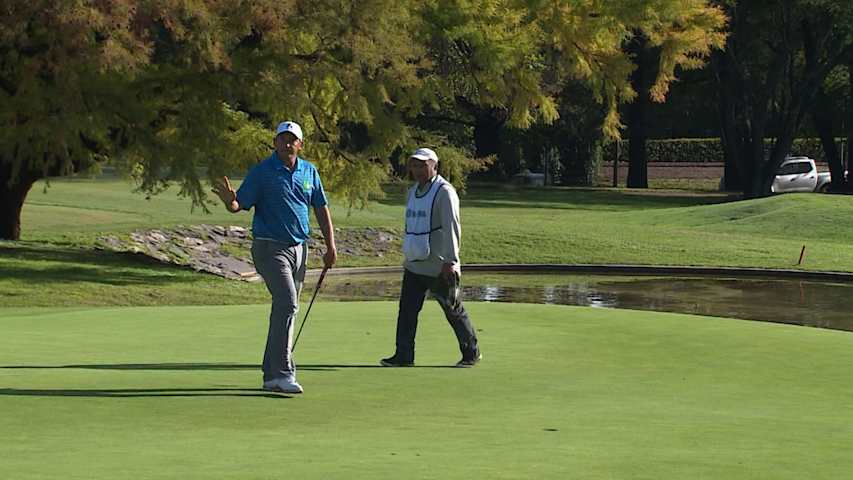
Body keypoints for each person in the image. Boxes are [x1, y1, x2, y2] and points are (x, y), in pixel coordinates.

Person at [213, 121, 337, 394]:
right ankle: (283, 373)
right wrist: (230, 201)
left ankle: (271, 375)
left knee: (285, 309)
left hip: (300, 248)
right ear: (275, 143)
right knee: (288, 302)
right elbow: (239, 204)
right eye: (282, 138)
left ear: (300, 144)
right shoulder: (262, 172)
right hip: (270, 247)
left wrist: (330, 245)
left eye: (292, 139)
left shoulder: (309, 171)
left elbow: (320, 207)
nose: (287, 143)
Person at [381, 147, 481, 368]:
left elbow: (452, 226)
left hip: (439, 266)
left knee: (452, 309)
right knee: (406, 312)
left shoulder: (444, 191)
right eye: (414, 165)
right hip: (414, 263)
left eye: (422, 165)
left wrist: (451, 261)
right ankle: (404, 355)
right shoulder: (413, 192)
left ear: (434, 165)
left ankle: (471, 352)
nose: (418, 170)